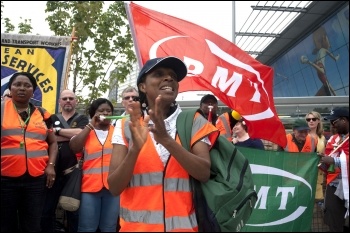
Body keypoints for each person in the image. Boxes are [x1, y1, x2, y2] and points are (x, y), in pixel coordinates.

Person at [108, 56, 219, 232]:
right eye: (159, 74)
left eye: (173, 76)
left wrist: (166, 140)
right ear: (143, 86)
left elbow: (203, 173)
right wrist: (135, 150)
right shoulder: (123, 126)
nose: (169, 78)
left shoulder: (194, 121)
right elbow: (114, 187)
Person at [1, 72, 58, 232]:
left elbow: (53, 142)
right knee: (5, 225)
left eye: (27, 85)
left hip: (36, 180)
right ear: (10, 88)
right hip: (5, 180)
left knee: (32, 225)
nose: (22, 88)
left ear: (33, 91)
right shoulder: (1, 110)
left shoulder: (42, 114)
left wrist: (51, 166)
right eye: (17, 84)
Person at [41, 89, 89, 232]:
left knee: (73, 212)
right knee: (46, 211)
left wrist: (56, 131)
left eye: (71, 98)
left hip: (73, 173)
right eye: (65, 98)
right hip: (51, 173)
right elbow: (47, 138)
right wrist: (70, 136)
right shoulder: (52, 118)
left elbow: (82, 133)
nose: (68, 101)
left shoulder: (82, 119)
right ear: (59, 102)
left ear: (76, 101)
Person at [69, 98, 119, 232]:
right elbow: (74, 148)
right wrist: (90, 125)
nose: (106, 113)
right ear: (93, 113)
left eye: (109, 111)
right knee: (87, 228)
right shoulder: (86, 132)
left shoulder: (118, 133)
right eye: (101, 110)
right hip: (89, 187)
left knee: (109, 227)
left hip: (113, 188)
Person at [318, 107, 349, 232]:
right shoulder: (333, 139)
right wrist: (324, 162)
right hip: (335, 184)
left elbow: (335, 160)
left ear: (344, 120)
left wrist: (335, 161)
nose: (332, 126)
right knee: (333, 219)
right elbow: (330, 160)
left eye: (334, 122)